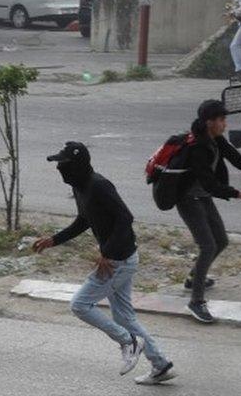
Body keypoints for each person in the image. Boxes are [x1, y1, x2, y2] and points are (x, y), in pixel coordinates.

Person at [33, 142, 176, 386]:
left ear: (77, 165)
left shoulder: (99, 185)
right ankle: (160, 364)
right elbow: (84, 220)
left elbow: (125, 217)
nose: (59, 168)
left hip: (117, 261)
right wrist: (54, 240)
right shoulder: (81, 187)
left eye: (63, 164)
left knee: (80, 304)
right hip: (121, 259)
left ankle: (127, 341)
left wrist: (106, 253)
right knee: (124, 316)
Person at [177, 100, 241, 323]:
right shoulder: (197, 148)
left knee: (221, 241)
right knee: (208, 245)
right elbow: (211, 184)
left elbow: (234, 157)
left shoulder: (215, 138)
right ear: (209, 122)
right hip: (187, 199)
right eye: (222, 120)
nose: (225, 124)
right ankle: (196, 301)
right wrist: (239, 193)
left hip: (201, 196)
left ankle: (194, 277)